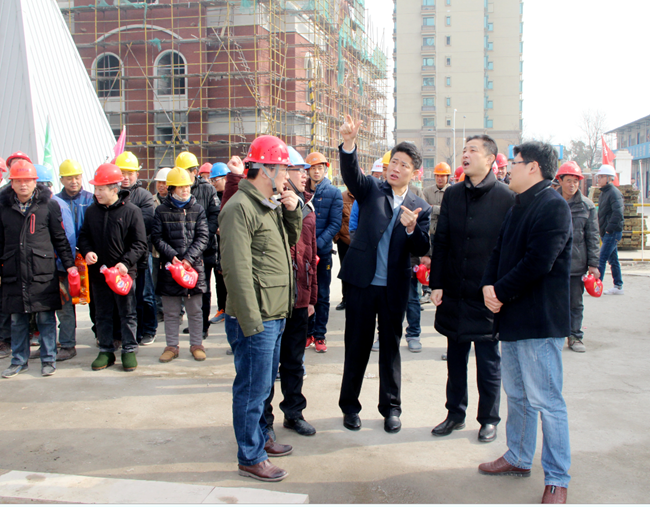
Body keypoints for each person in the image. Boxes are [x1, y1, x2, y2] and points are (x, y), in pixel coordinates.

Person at [480, 141, 572, 504]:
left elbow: (538, 262)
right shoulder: (518, 205)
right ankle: (518, 456)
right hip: (512, 319)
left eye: (515, 163)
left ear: (533, 167)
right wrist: (488, 286)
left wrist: (499, 292)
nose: (508, 170)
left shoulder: (553, 206)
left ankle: (558, 478)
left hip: (539, 321)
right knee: (517, 395)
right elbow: (498, 251)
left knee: (547, 401)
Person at [337, 116, 431, 433]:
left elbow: (422, 246)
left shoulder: (420, 207)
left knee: (390, 349)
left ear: (414, 173)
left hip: (394, 288)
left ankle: (391, 408)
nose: (395, 168)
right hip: (362, 285)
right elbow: (352, 175)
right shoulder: (372, 190)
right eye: (394, 161)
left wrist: (412, 228)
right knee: (357, 346)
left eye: (404, 165)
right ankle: (350, 407)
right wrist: (349, 143)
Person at [219, 135, 302, 482]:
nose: (287, 176)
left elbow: (288, 243)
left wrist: (293, 212)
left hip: (274, 312)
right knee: (252, 390)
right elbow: (236, 271)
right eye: (283, 169)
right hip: (256, 317)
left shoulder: (268, 204)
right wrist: (251, 322)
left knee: (264, 387)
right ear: (265, 169)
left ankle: (262, 438)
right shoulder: (239, 208)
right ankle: (250, 456)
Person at [429, 136, 516, 443]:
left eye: (473, 150)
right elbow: (441, 241)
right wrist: (436, 283)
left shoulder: (506, 198)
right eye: (464, 150)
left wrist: (502, 290)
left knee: (488, 362)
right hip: (455, 290)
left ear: (490, 159)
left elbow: (511, 249)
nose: (465, 155)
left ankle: (489, 419)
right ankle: (455, 413)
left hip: (488, 295)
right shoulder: (453, 194)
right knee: (455, 359)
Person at [0, 160, 76, 379]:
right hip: (14, 272)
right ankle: (18, 361)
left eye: (28, 180)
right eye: (18, 181)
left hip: (42, 272)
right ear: (11, 183)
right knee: (17, 320)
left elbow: (60, 239)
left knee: (45, 318)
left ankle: (48, 359)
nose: (23, 185)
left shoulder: (48, 206)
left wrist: (69, 265)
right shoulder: (4, 207)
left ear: (36, 182)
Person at [263, 146, 318, 438]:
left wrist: (312, 299)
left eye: (304, 171)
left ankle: (294, 413)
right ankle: (264, 421)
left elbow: (312, 256)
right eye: (297, 171)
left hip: (299, 298)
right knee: (268, 365)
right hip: (274, 299)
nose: (304, 176)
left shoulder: (307, 208)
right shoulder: (267, 205)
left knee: (294, 362)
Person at [78, 163, 148, 372]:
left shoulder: (131, 211)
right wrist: (87, 251)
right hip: (99, 274)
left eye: (101, 189)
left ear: (114, 189)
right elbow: (84, 236)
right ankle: (106, 349)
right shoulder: (92, 211)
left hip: (123, 275)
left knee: (127, 313)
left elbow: (140, 244)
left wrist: (125, 263)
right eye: (96, 188)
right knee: (102, 314)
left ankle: (129, 349)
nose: (97, 193)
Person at [151, 167, 209, 363]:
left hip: (193, 268)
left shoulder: (197, 209)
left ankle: (197, 344)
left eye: (187, 186)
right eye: (180, 187)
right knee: (171, 312)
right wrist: (173, 256)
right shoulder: (161, 211)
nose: (185, 190)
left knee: (195, 310)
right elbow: (157, 238)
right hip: (170, 268)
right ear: (172, 188)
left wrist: (189, 259)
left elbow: (203, 237)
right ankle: (171, 346)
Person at [28, 164, 77, 363]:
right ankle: (47, 345)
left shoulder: (57, 205)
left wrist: (65, 265)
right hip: (40, 268)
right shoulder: (33, 206)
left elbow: (67, 238)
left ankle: (67, 344)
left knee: (64, 309)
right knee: (43, 309)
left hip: (58, 267)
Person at [176, 152, 221, 338]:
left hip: (205, 249)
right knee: (188, 289)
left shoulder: (207, 189)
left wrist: (204, 237)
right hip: (184, 249)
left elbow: (215, 215)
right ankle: (194, 323)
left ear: (194, 171)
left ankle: (202, 326)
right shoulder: (176, 189)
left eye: (186, 171)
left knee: (203, 289)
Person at [557, 161, 600, 353]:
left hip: (576, 264)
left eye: (575, 181)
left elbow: (593, 236)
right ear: (560, 181)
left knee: (575, 303)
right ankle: (555, 335)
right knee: (553, 301)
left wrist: (593, 264)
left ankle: (575, 336)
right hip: (553, 264)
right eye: (569, 180)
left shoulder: (587, 206)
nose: (572, 185)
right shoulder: (550, 201)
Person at [115, 151, 157, 345]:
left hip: (140, 253)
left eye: (129, 173)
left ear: (137, 175)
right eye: (122, 172)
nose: (125, 177)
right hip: (117, 254)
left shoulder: (144, 196)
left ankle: (148, 329)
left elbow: (145, 224)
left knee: (145, 294)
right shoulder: (111, 194)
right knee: (122, 295)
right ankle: (126, 332)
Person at [55, 159, 95, 359]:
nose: (74, 181)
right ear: (61, 179)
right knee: (65, 303)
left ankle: (101, 334)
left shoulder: (91, 199)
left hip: (89, 259)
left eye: (77, 177)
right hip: (64, 260)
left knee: (95, 300)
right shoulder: (54, 202)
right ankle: (67, 344)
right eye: (69, 178)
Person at [304, 151, 342, 353]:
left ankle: (319, 335)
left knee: (322, 294)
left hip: (323, 252)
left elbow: (335, 224)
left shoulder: (333, 193)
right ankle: (308, 333)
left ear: (325, 169)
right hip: (303, 253)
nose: (316, 171)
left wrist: (316, 245)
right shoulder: (300, 191)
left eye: (320, 168)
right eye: (313, 168)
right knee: (305, 293)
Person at [420, 162, 451, 306]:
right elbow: (425, 209)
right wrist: (441, 209)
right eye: (437, 175)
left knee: (443, 262)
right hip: (430, 231)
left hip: (445, 234)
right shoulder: (427, 191)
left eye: (442, 176)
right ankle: (427, 290)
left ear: (447, 177)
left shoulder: (452, 191)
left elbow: (449, 211)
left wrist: (435, 208)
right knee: (427, 263)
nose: (440, 178)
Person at [595, 164, 625, 295]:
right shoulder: (604, 193)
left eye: (601, 177)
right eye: (598, 177)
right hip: (607, 232)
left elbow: (618, 213)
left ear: (609, 178)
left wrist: (609, 229)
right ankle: (618, 286)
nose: (599, 179)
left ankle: (597, 286)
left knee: (601, 259)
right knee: (613, 260)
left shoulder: (614, 193)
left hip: (612, 232)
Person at [208, 162, 230, 325]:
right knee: (219, 279)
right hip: (216, 246)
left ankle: (230, 310)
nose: (213, 183)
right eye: (212, 180)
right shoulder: (213, 197)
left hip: (230, 245)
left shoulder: (233, 195)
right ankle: (222, 309)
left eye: (216, 180)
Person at [151, 167, 172, 321]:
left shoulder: (175, 202)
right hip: (155, 250)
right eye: (159, 182)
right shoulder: (151, 200)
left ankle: (177, 311)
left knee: (174, 280)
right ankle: (159, 310)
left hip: (172, 250)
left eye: (164, 183)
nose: (161, 186)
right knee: (156, 281)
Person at [334, 184, 355, 312]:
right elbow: (336, 218)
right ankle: (345, 299)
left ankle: (357, 299)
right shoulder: (341, 197)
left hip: (361, 242)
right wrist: (338, 238)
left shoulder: (365, 195)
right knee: (345, 270)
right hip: (344, 240)